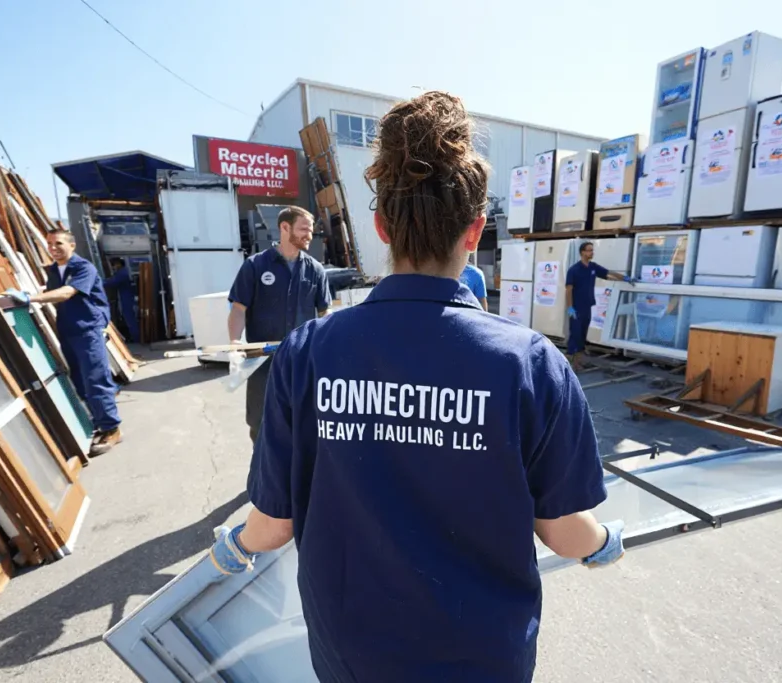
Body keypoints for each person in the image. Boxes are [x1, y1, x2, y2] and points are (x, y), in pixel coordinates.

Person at [209, 91, 624, 683]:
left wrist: (235, 546)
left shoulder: (307, 353)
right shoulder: (531, 363)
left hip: (350, 654)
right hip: (481, 657)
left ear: (381, 226)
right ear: (476, 231)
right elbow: (563, 532)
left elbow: (273, 526)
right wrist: (606, 541)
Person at [3, 230, 122, 457]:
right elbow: (52, 291)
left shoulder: (83, 268)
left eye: (58, 243)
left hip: (87, 330)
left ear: (72, 245)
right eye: (49, 244)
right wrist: (31, 294)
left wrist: (32, 299)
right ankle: (101, 421)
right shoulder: (55, 270)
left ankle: (112, 429)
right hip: (68, 330)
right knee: (79, 379)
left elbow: (67, 293)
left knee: (96, 379)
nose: (53, 248)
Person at [226, 206, 331, 444]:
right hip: (262, 362)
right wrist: (234, 342)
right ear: (285, 227)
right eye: (304, 229)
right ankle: (264, 479)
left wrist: (327, 340)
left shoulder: (315, 270)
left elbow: (325, 311)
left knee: (304, 424)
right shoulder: (255, 266)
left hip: (301, 361)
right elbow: (238, 309)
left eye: (311, 230)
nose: (309, 235)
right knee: (261, 426)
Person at [565, 241, 633, 370]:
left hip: (587, 306)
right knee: (575, 335)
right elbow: (568, 289)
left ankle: (578, 363)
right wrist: (570, 307)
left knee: (582, 336)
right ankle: (566, 363)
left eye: (592, 250)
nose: (592, 252)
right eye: (589, 250)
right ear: (582, 252)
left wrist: (624, 278)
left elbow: (608, 273)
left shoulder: (592, 267)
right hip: (576, 308)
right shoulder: (574, 270)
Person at [104, 257, 139, 343]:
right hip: (127, 299)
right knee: (130, 319)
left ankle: (136, 338)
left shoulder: (122, 273)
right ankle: (135, 337)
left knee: (130, 319)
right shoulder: (123, 272)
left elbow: (112, 282)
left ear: (119, 264)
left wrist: (97, 282)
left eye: (114, 265)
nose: (113, 267)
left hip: (127, 300)